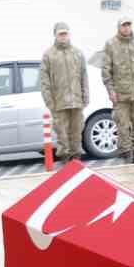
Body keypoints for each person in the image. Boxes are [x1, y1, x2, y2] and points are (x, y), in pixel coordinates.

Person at [100, 16, 134, 163]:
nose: (126, 28)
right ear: (119, 27)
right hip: (121, 94)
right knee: (122, 125)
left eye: (128, 25)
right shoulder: (111, 44)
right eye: (123, 25)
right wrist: (111, 90)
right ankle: (126, 152)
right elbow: (106, 70)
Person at [39, 22, 88, 163]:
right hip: (59, 103)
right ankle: (65, 160)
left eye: (65, 33)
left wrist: (85, 97)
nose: (63, 36)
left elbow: (83, 76)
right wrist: (50, 103)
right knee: (62, 134)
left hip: (76, 101)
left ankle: (77, 159)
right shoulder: (49, 55)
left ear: (69, 34)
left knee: (77, 132)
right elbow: (44, 82)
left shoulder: (77, 53)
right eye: (60, 34)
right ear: (55, 35)